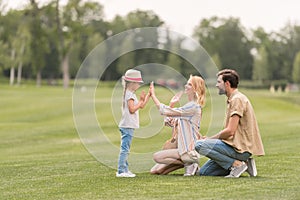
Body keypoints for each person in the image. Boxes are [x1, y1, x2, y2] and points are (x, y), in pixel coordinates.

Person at [195, 69, 265, 178]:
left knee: (199, 145)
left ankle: (237, 164)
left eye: (219, 82)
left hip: (240, 149)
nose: (216, 85)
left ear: (227, 84)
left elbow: (230, 131)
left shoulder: (237, 99)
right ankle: (245, 163)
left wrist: (209, 139)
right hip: (233, 147)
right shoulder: (232, 99)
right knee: (205, 172)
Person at [149, 75, 206, 176]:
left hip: (188, 150)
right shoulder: (187, 106)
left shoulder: (193, 107)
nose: (186, 85)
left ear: (195, 89)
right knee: (155, 171)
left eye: (189, 84)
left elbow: (165, 111)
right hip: (181, 150)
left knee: (157, 157)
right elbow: (169, 122)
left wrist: (153, 96)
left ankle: (190, 162)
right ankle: (188, 163)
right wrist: (171, 104)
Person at [116, 69, 150, 178]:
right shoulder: (129, 94)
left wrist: (146, 98)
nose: (139, 85)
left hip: (127, 125)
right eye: (138, 83)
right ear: (132, 83)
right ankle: (121, 171)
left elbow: (141, 106)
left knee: (126, 148)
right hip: (127, 125)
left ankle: (124, 169)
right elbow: (132, 109)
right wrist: (139, 102)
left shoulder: (129, 93)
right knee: (125, 149)